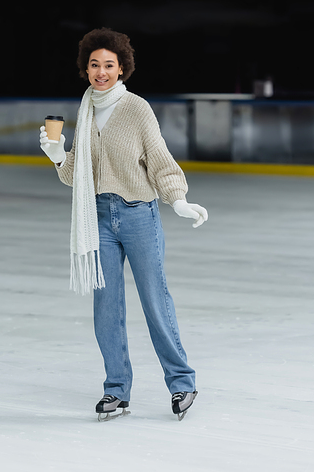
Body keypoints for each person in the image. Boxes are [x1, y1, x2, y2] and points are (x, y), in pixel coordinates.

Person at [39, 27, 208, 421]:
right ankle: (116, 390)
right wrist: (56, 154)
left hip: (138, 215)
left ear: (122, 69)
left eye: (109, 65)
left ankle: (182, 381)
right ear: (86, 68)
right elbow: (76, 177)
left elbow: (159, 158)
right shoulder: (86, 111)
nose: (101, 72)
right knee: (107, 307)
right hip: (97, 216)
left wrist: (177, 199)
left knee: (155, 300)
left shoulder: (136, 109)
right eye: (94, 64)